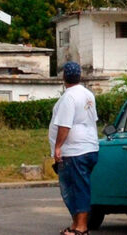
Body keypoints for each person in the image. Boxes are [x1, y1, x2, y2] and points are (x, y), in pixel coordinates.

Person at [49, 61, 98, 235]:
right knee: (76, 187)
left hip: (75, 150)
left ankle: (82, 227)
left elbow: (64, 125)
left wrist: (57, 147)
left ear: (64, 77)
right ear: (79, 76)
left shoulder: (69, 97)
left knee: (77, 188)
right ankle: (75, 225)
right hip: (90, 146)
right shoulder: (88, 94)